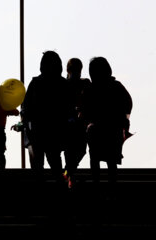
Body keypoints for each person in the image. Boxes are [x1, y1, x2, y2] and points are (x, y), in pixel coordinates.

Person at [80, 57, 132, 189]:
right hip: (113, 128)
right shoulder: (116, 86)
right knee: (111, 160)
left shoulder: (89, 89)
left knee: (95, 158)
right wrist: (125, 121)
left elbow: (84, 109)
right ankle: (112, 188)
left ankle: (96, 186)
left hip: (95, 129)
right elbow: (128, 103)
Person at [22, 51, 70, 184]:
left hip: (38, 130)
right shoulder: (62, 84)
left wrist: (25, 123)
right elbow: (68, 107)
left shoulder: (36, 83)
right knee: (55, 162)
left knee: (38, 165)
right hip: (55, 130)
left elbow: (26, 107)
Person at [63, 58, 91, 189]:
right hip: (72, 123)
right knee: (76, 151)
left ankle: (68, 173)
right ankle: (70, 175)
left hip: (75, 123)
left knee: (77, 151)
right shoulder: (80, 84)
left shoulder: (65, 85)